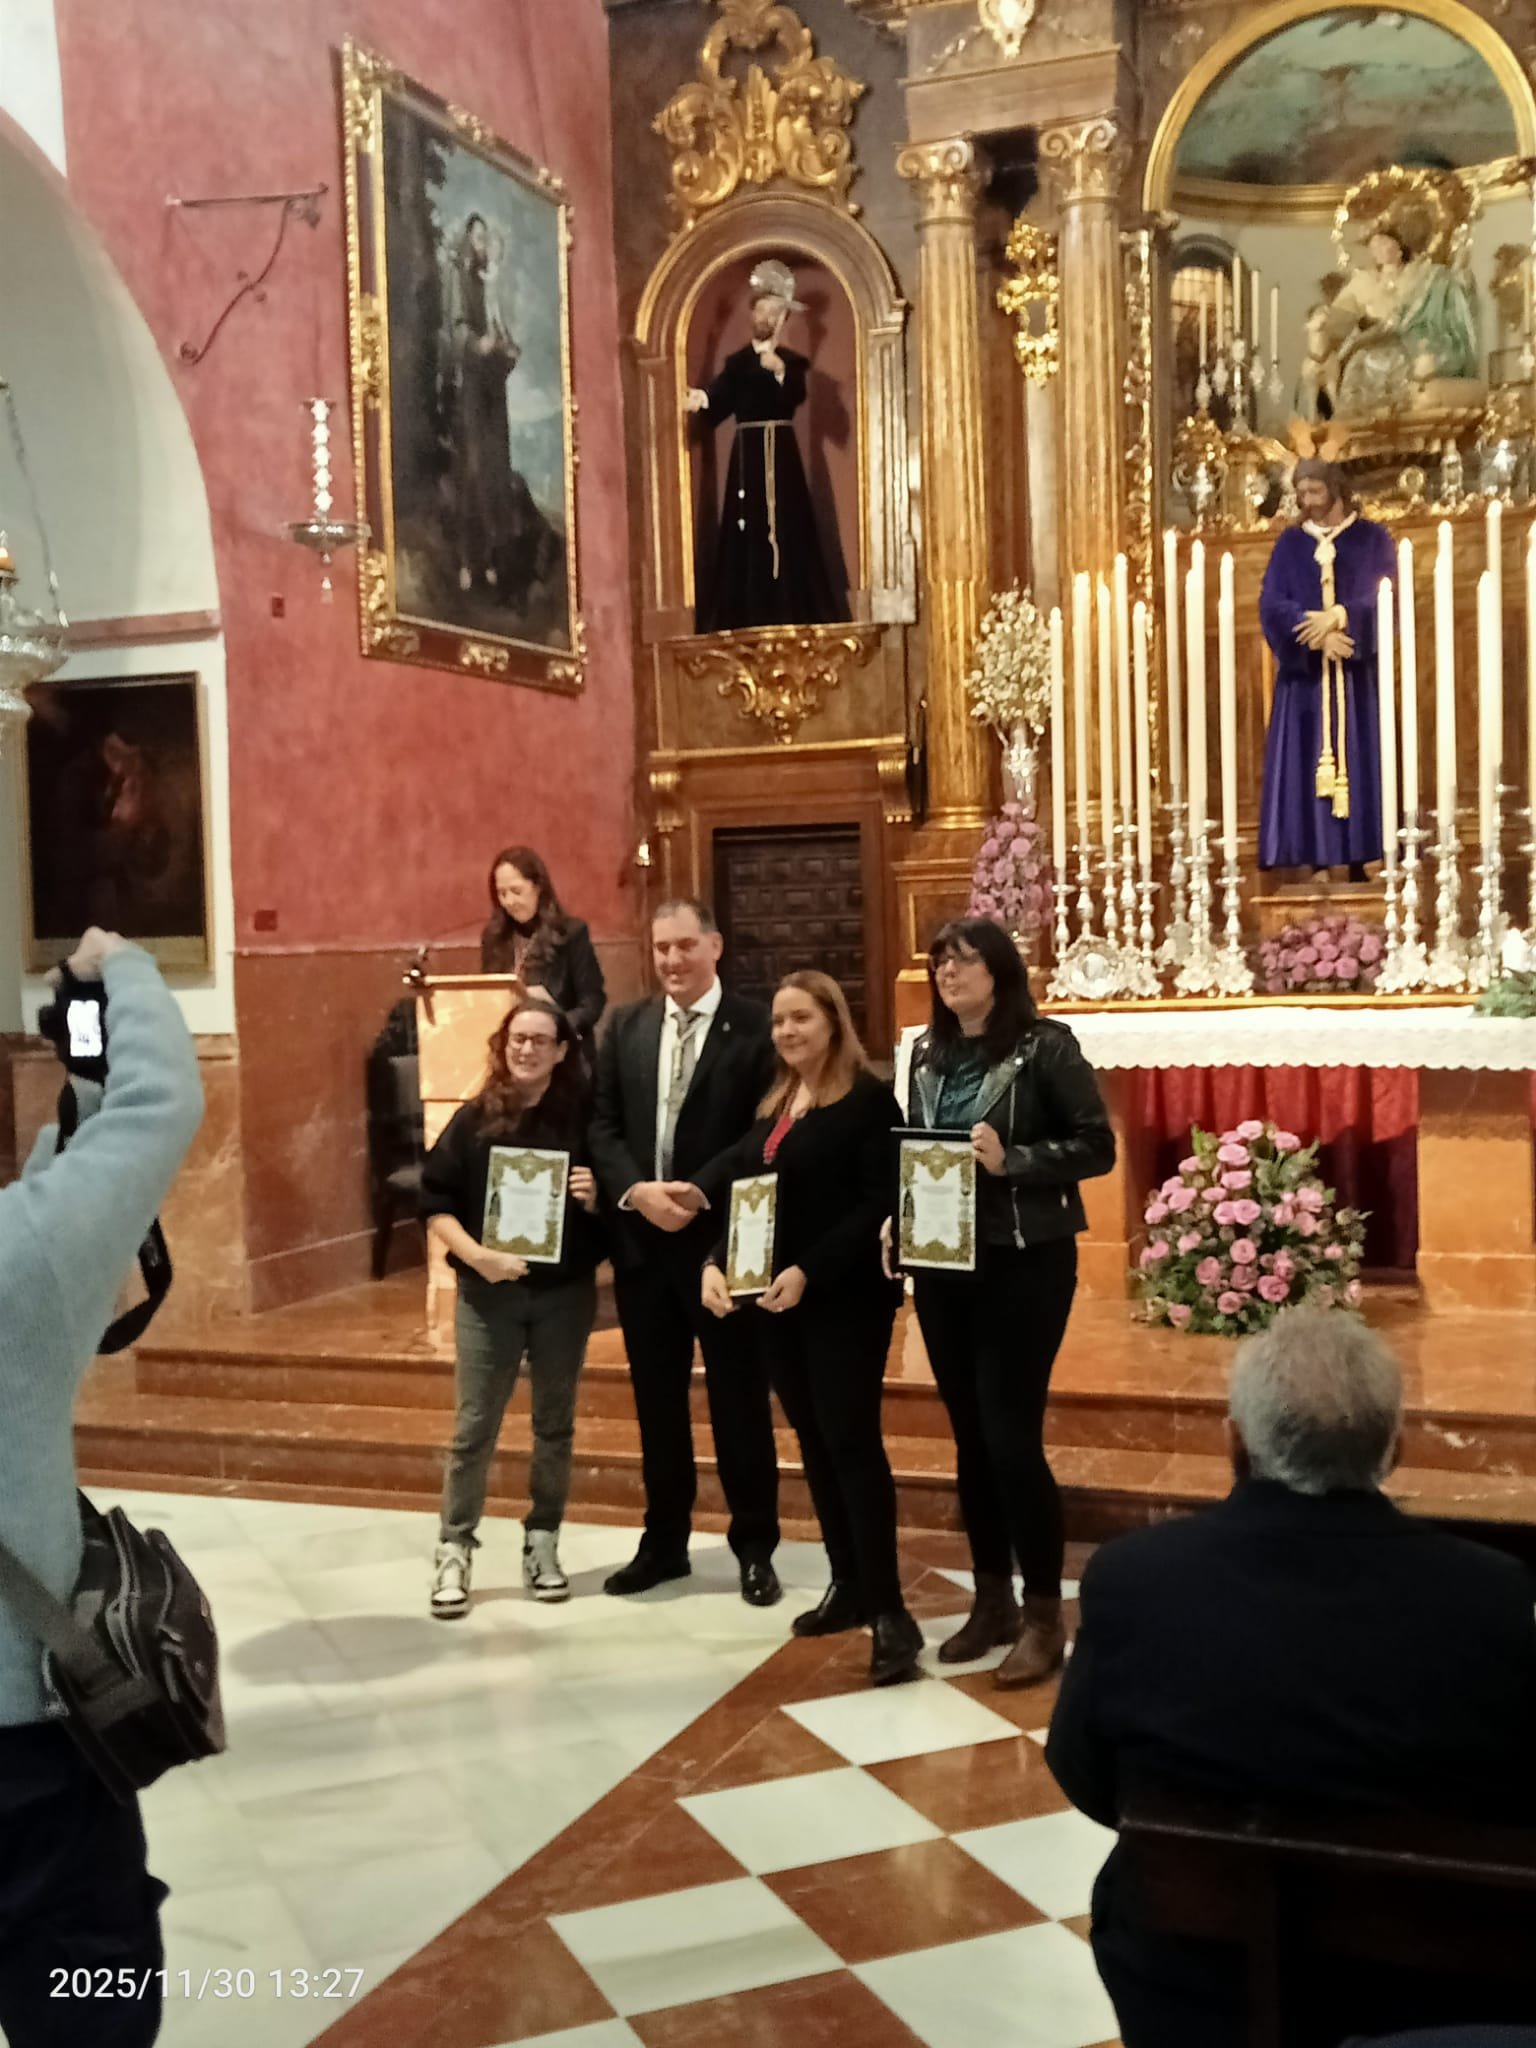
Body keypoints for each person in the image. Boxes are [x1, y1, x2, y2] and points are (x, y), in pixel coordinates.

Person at [1046, 1309, 1536, 2048]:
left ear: (1235, 1441)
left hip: (1193, 1982)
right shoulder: (1493, 1596)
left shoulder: (1134, 1578)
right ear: (1394, 1449)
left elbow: (1082, 1773)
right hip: (1428, 1999)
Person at [0, 928, 203, 2047]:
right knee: (86, 1990)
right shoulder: (21, 1262)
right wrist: (124, 968)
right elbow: (159, 1106)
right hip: (29, 1755)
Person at [899, 918, 1113, 1688]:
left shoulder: (1046, 1046)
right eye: (938, 962)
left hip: (1025, 1262)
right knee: (967, 1438)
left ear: (998, 970)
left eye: (961, 960)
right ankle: (990, 1600)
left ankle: (1044, 1614)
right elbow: (918, 1147)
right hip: (946, 1261)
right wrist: (901, 1210)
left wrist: (1014, 1159)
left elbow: (1097, 1145)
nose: (947, 973)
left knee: (1010, 1435)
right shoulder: (926, 1052)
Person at [698, 972, 919, 1686]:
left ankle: (891, 1614)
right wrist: (713, 1258)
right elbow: (746, 1192)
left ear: (833, 1022)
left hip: (841, 1300)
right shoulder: (779, 1102)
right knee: (816, 1446)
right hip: (774, 1304)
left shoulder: (866, 1101)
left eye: (800, 1019)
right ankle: (846, 1582)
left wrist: (811, 1271)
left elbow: (878, 1204)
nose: (787, 1032)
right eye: (779, 1022)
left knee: (853, 1446)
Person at [590, 899, 781, 1604]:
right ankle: (663, 1542)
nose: (672, 960)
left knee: (738, 1400)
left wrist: (697, 1192)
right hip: (643, 1246)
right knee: (656, 1403)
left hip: (720, 1246)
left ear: (715, 946)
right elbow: (603, 1125)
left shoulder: (759, 1028)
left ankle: (755, 1544)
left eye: (685, 946)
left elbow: (764, 1130)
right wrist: (636, 1191)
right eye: (662, 947)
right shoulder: (628, 1025)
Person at [422, 997, 603, 1614]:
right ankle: (454, 1547)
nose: (526, 1049)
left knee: (554, 1425)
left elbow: (610, 1220)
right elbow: (434, 1201)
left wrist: (592, 1195)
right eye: (516, 1039)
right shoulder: (474, 1119)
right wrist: (477, 1257)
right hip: (487, 1296)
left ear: (561, 1051)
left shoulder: (583, 1122)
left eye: (539, 1040)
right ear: (503, 1046)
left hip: (563, 1298)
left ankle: (542, 1540)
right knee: (474, 1427)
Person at [685, 258, 845, 633]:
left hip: (781, 453)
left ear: (782, 319)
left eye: (773, 311)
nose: (765, 316)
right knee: (747, 525)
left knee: (787, 524)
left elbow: (795, 398)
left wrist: (779, 371)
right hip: (748, 458)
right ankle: (745, 613)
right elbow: (722, 397)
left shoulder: (791, 362)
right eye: (761, 309)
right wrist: (702, 400)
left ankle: (791, 609)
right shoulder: (738, 363)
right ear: (752, 315)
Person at [1258, 459, 1395, 875]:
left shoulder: (1371, 539)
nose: (1308, 501)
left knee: (1360, 755)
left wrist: (1339, 617)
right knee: (1307, 763)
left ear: (1336, 488)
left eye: (1316, 491)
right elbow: (1272, 604)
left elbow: (1387, 593)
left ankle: (1360, 858)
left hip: (1356, 680)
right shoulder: (1290, 544)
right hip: (1306, 683)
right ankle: (1312, 858)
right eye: (1302, 493)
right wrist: (1315, 634)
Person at [479, 844, 606, 1055]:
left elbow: (592, 1002)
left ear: (538, 887)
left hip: (561, 1052)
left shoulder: (571, 933)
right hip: (510, 1051)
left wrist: (557, 1027)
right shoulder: (494, 938)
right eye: (502, 894)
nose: (509, 902)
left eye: (516, 891)